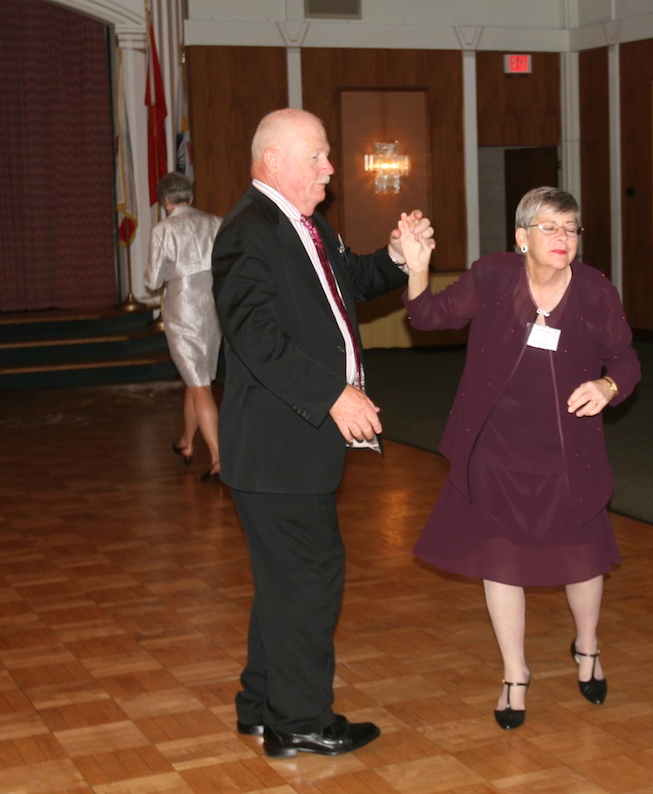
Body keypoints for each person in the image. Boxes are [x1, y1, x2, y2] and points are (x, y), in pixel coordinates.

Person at [211, 108, 434, 758]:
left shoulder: (305, 227)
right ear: (274, 159)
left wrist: (397, 258)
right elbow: (254, 336)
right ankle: (299, 720)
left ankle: (261, 706)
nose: (331, 170)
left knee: (286, 579)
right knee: (311, 575)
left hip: (288, 449)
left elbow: (350, 285)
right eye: (319, 157)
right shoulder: (248, 232)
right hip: (275, 449)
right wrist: (332, 393)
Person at [395, 186, 640, 730]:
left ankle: (589, 646)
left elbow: (626, 361)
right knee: (500, 560)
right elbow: (431, 316)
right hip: (496, 446)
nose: (563, 239)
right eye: (549, 228)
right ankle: (514, 672)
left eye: (571, 229)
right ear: (521, 236)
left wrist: (606, 387)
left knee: (583, 556)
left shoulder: (596, 291)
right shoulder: (494, 276)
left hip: (567, 449)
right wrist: (417, 269)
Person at [145, 172, 223, 482]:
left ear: (165, 201)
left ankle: (219, 458)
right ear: (190, 197)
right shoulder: (216, 222)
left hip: (183, 308)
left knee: (200, 384)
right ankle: (187, 442)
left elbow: (152, 281)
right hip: (212, 307)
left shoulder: (164, 229)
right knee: (196, 378)